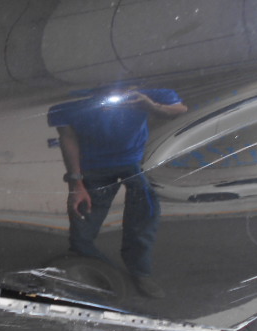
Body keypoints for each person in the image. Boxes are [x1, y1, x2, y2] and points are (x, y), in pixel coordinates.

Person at [48, 84, 187, 298]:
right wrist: (76, 183)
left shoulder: (145, 91)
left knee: (144, 218)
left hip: (132, 163)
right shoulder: (70, 101)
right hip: (93, 166)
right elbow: (68, 138)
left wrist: (150, 106)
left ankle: (140, 271)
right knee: (83, 223)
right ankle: (96, 268)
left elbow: (179, 109)